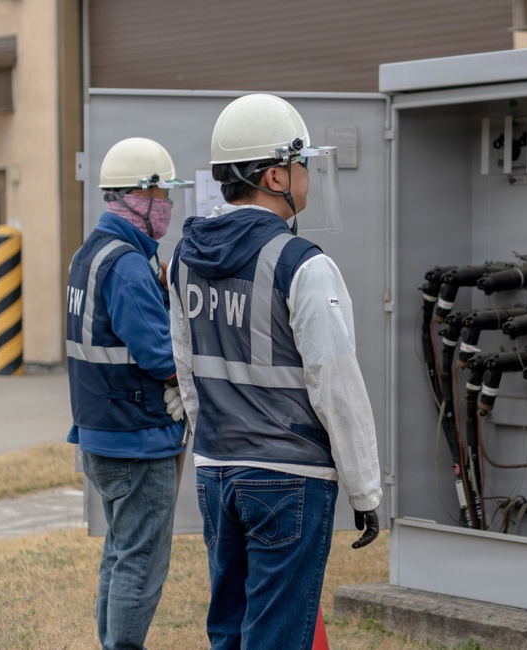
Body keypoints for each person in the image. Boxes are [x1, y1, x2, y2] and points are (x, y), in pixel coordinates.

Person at [167, 93, 382, 650]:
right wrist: (365, 492)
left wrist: (210, 444)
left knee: (231, 632)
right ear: (274, 175)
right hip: (291, 479)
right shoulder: (303, 264)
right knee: (278, 637)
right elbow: (336, 386)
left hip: (217, 471)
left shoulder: (183, 258)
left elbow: (187, 373)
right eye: (302, 162)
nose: (308, 173)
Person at [65, 136, 191, 650]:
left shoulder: (89, 253)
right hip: (136, 438)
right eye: (163, 198)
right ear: (138, 198)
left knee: (119, 553)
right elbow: (161, 357)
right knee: (141, 560)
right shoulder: (128, 265)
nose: (168, 208)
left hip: (102, 434)